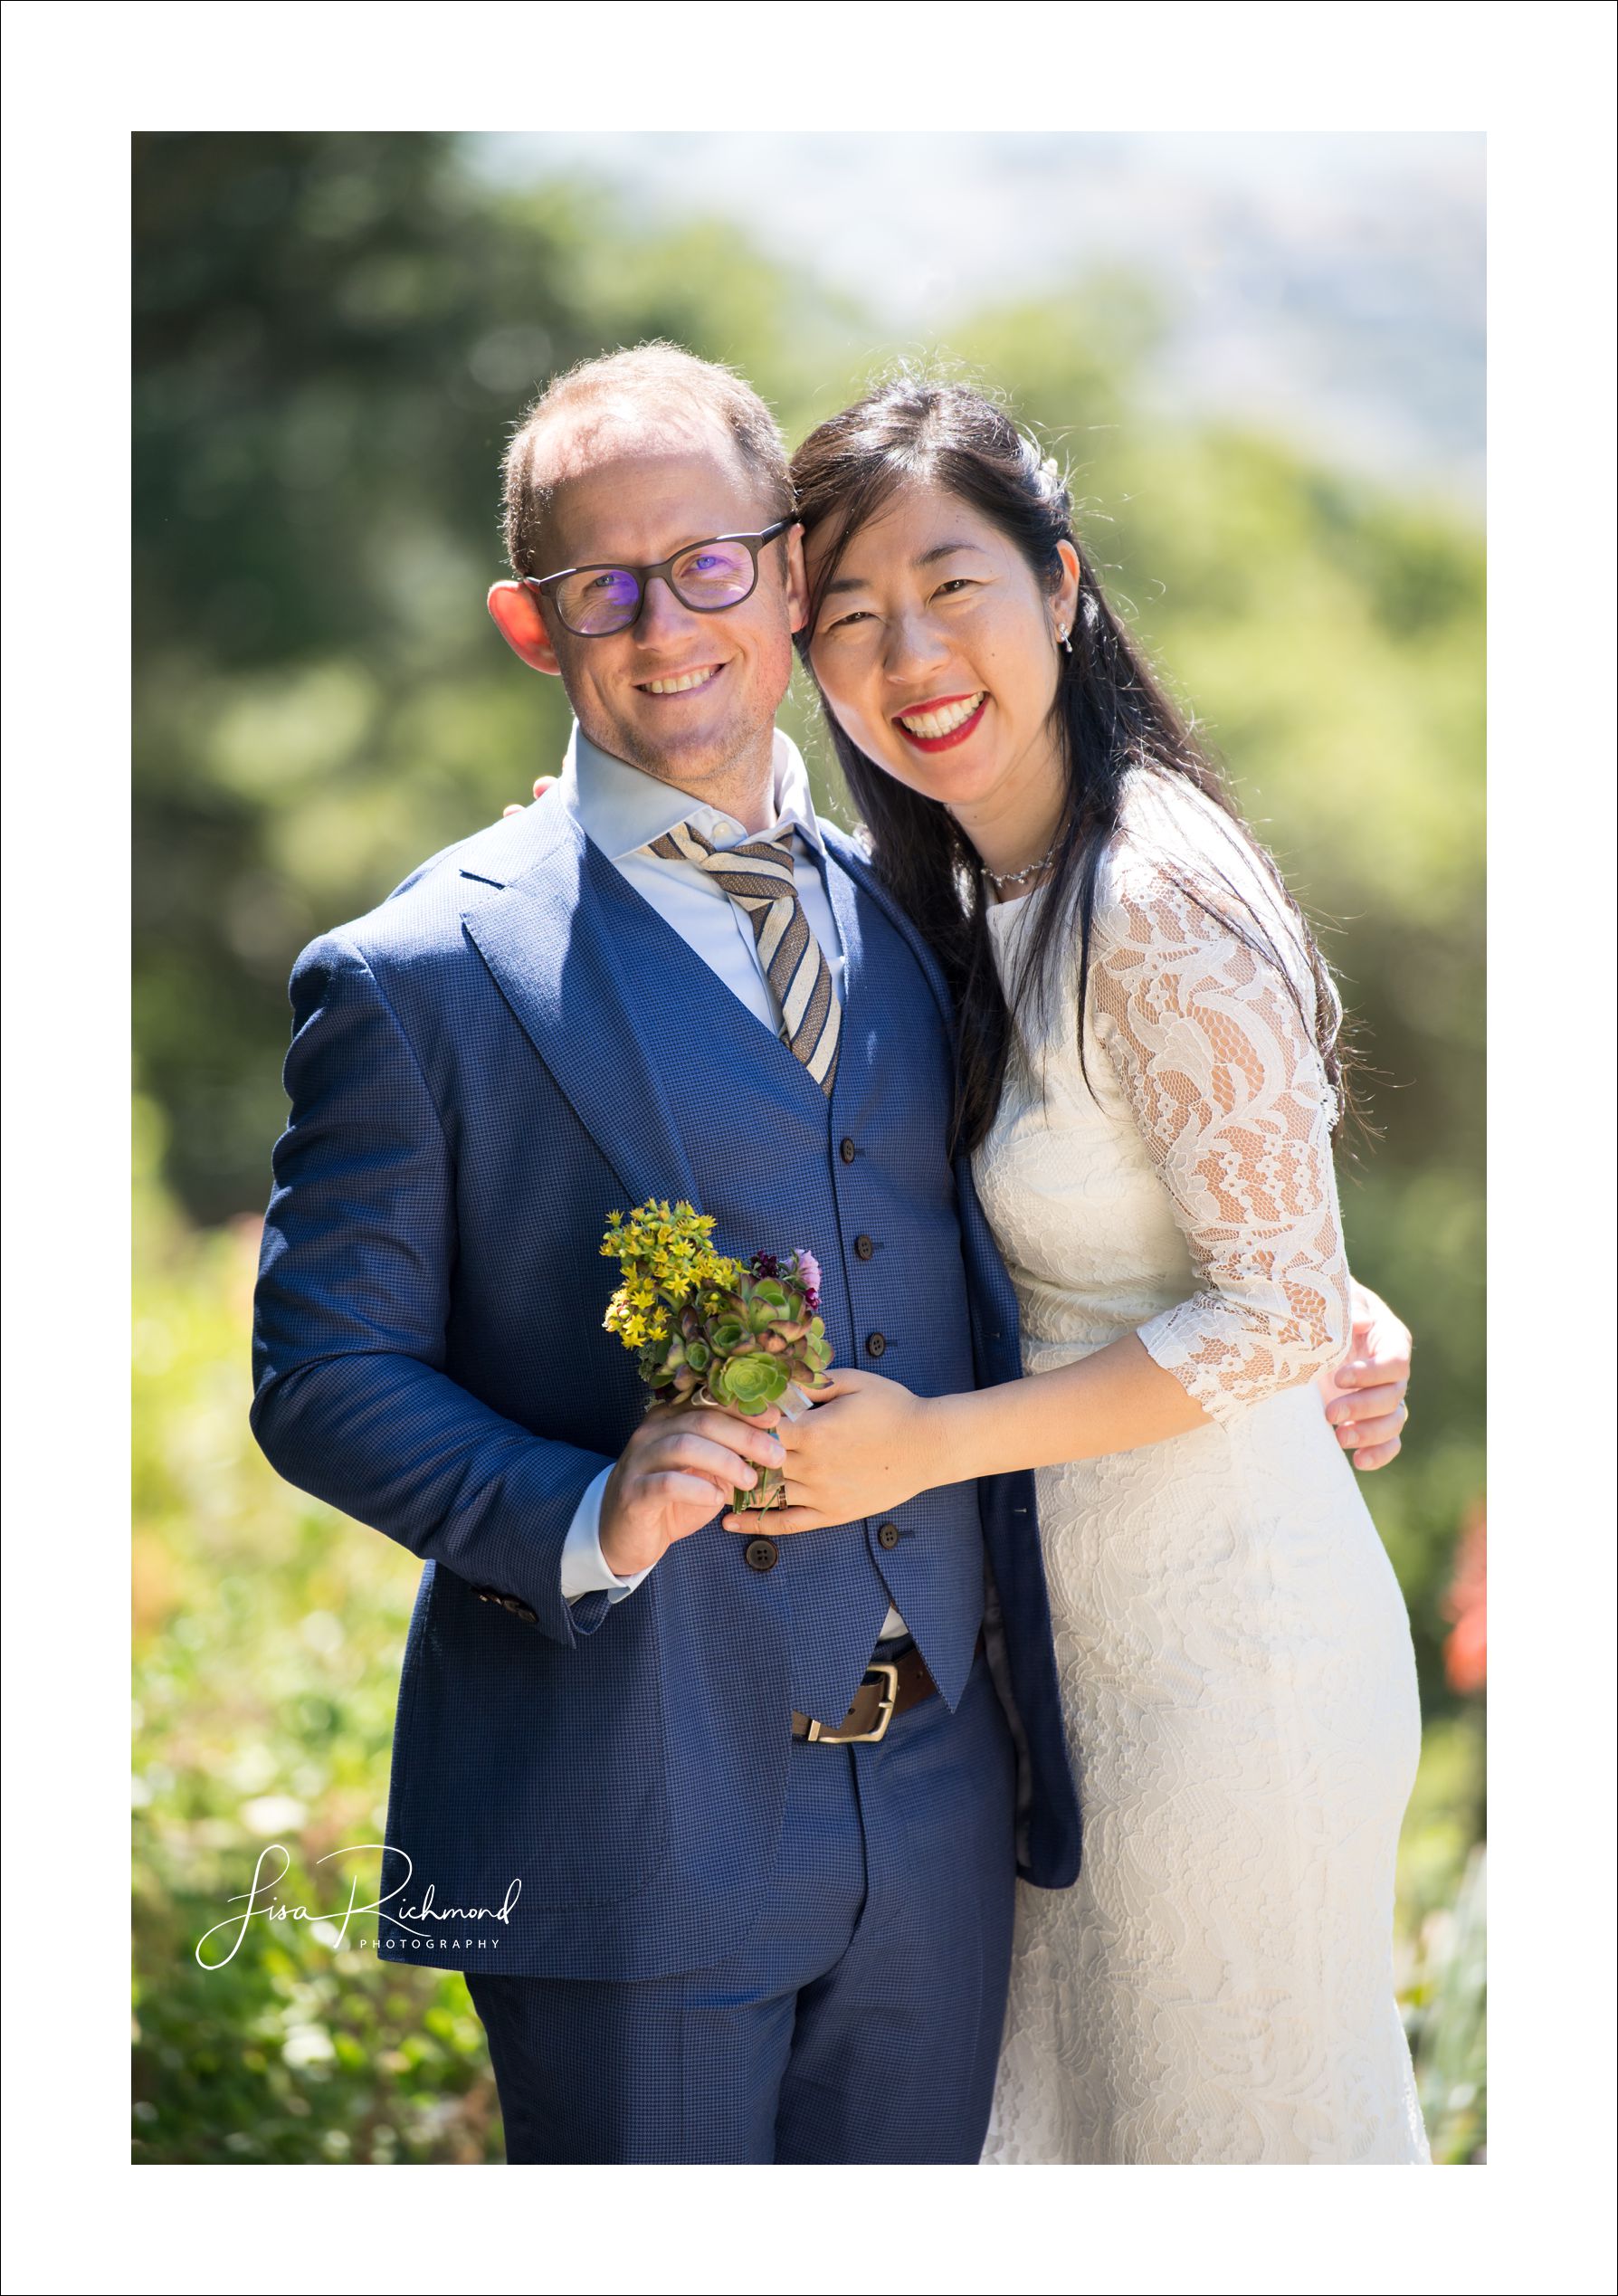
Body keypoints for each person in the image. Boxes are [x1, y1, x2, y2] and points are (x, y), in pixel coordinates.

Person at [254, 342, 1416, 2166]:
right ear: (528, 626)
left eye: (714, 562)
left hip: (968, 1813)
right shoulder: (422, 976)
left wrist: (1313, 1296)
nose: (668, 624)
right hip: (637, 1814)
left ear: (780, 580)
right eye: (601, 586)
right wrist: (585, 1507)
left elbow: (1087, 1197)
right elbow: (321, 1378)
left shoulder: (924, 903)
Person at [745, 376, 1430, 2164]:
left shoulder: (1143, 891)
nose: (908, 654)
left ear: (1060, 587)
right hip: (1087, 1669)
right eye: (848, 619)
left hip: (1232, 1670)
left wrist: (925, 1445)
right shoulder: (984, 894)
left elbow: (1282, 1307)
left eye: (950, 585)